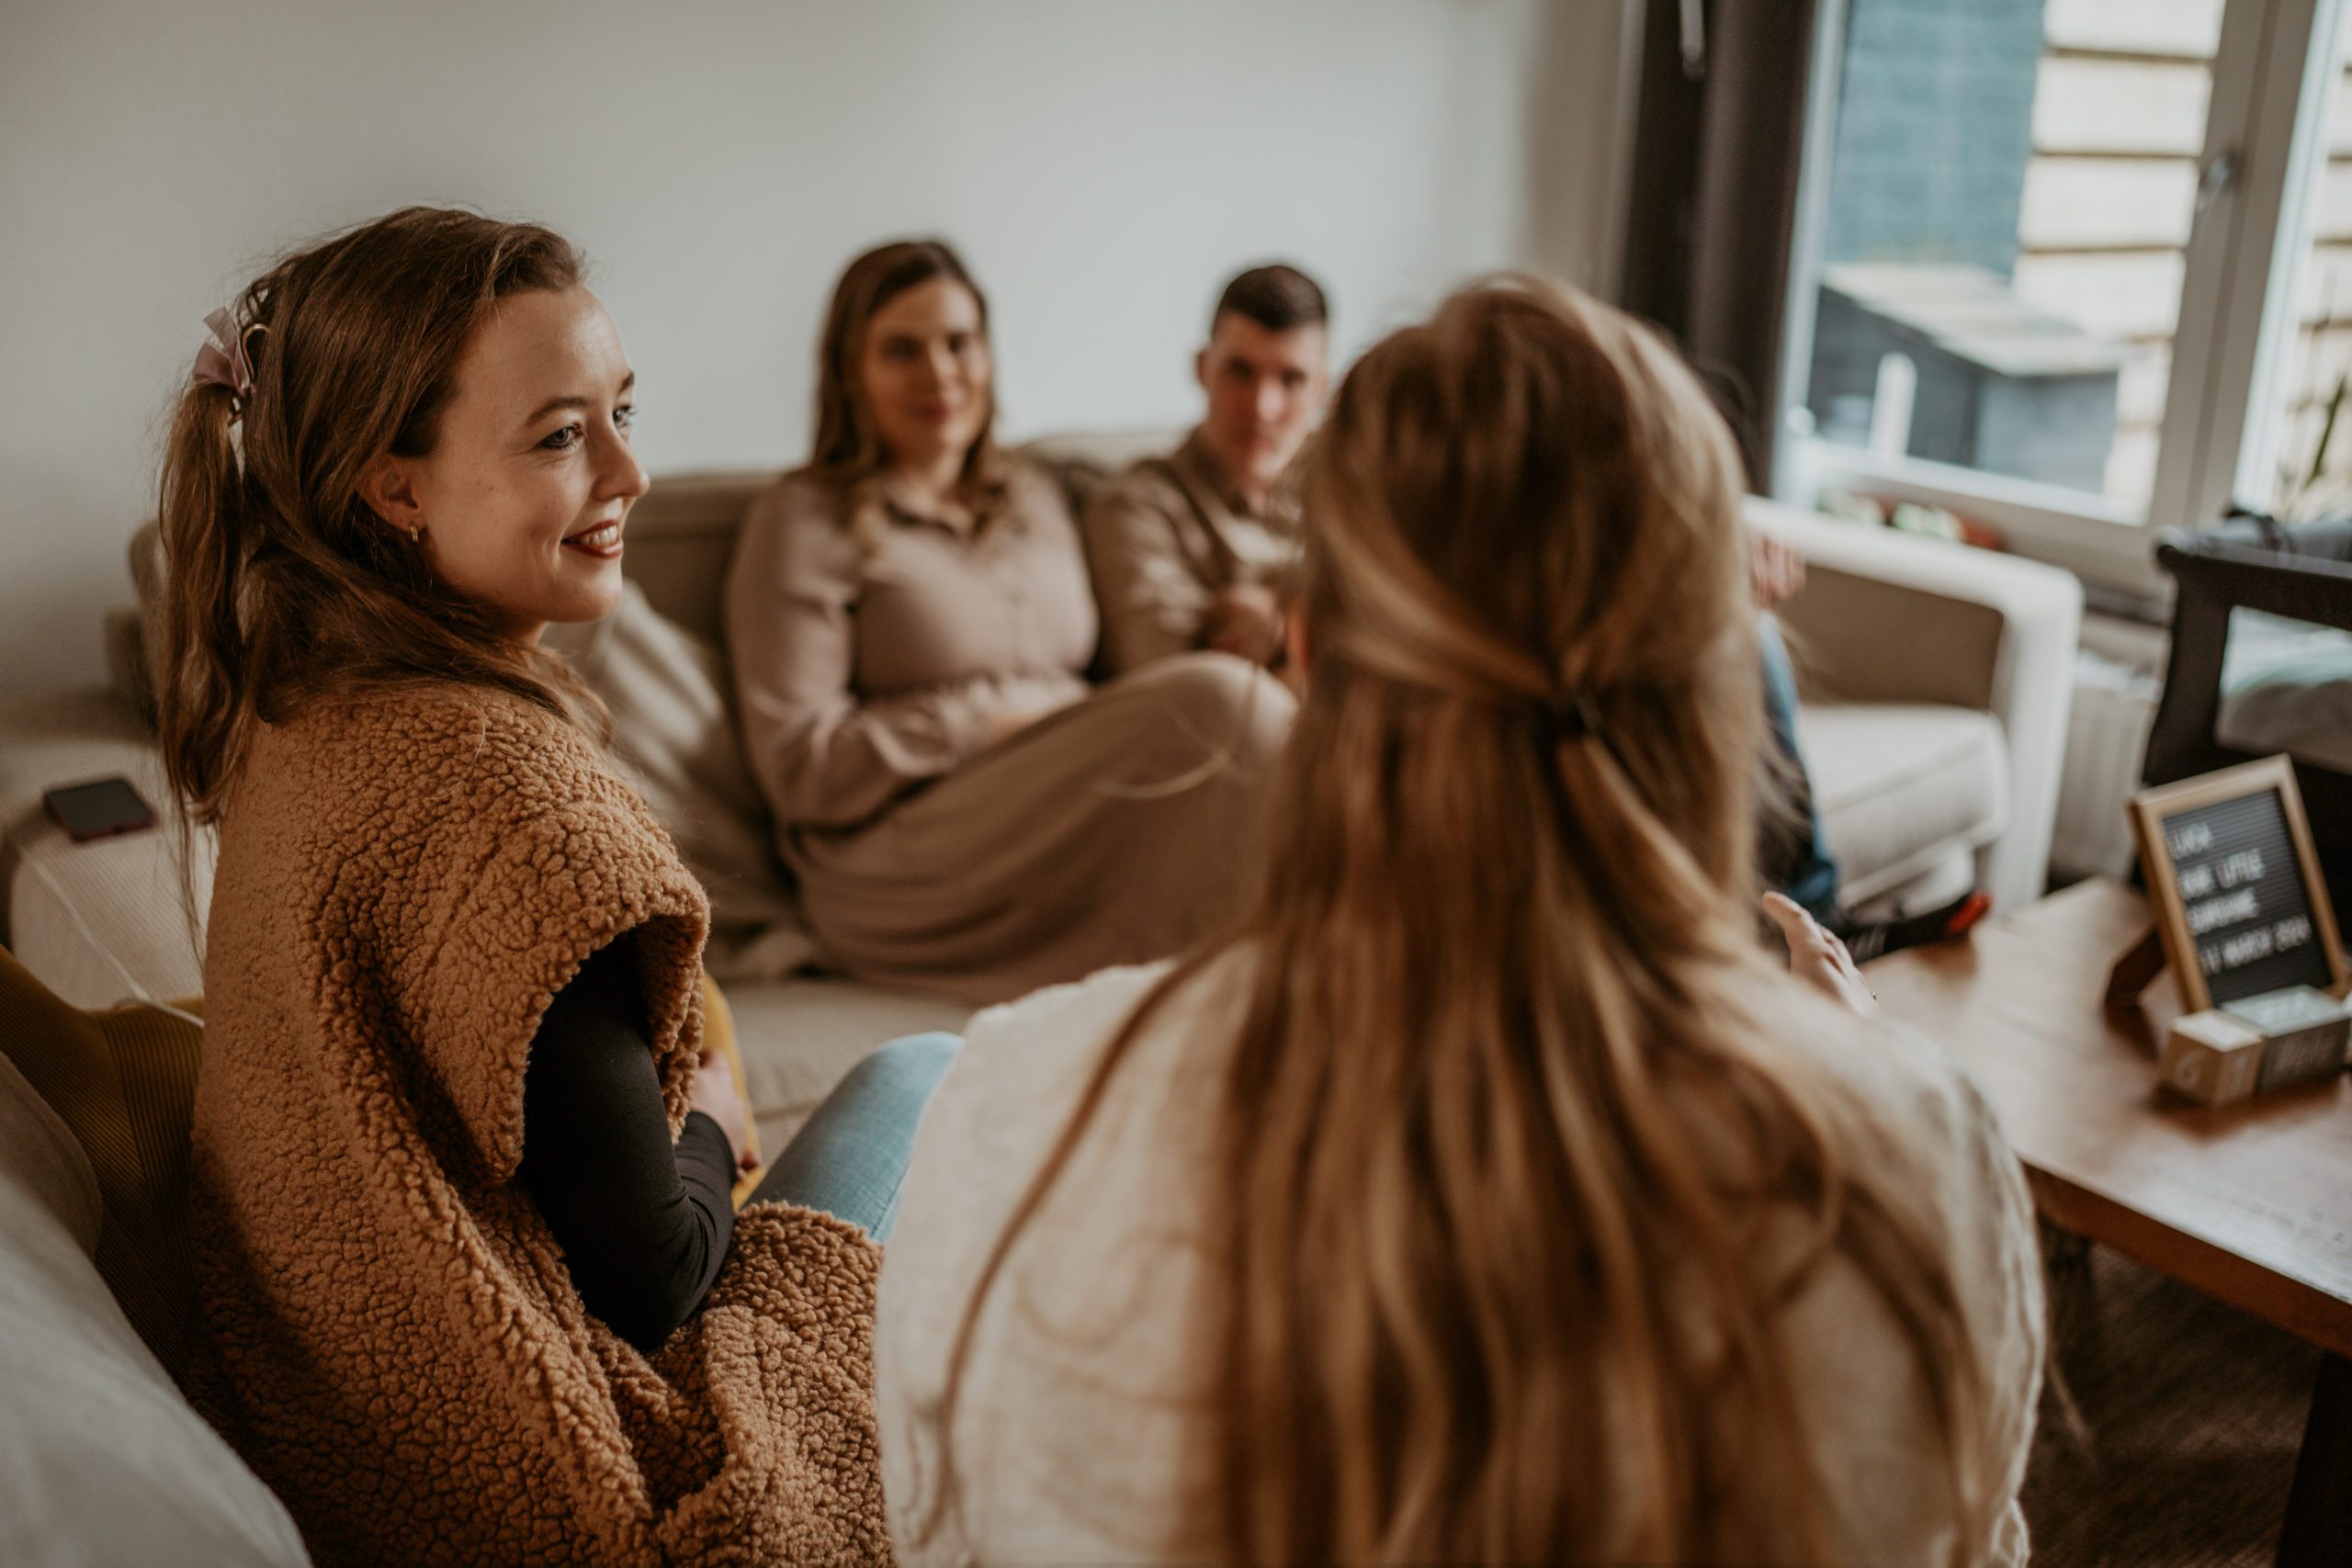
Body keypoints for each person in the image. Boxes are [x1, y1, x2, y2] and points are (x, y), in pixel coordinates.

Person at [877, 279, 2046, 1564]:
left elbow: (946, 1530)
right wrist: (1858, 1075)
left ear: (1310, 655)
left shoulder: (1014, 1104)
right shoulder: (1927, 1154)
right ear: (1721, 674)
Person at [161, 207, 938, 1565]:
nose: (631, 468)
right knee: (938, 1070)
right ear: (390, 483)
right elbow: (652, 1279)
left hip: (354, 1437)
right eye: (561, 435)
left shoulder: (304, 710)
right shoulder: (508, 803)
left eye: (623, 409)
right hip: (614, 1472)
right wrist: (705, 1107)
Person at [725, 240, 1291, 1005]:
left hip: (1054, 818)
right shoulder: (803, 518)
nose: (941, 373)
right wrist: (986, 723)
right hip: (898, 858)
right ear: (850, 372)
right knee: (1223, 702)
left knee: (1240, 752)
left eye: (959, 343)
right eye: (902, 350)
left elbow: (1127, 671)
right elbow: (800, 767)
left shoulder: (1037, 495)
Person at [1082, 264, 1329, 675]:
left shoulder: (1353, 497)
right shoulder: (1137, 504)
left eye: (1291, 379)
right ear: (1202, 367)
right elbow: (1187, 690)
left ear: (1321, 388)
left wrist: (1276, 615)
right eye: (1240, 371)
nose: (1262, 408)